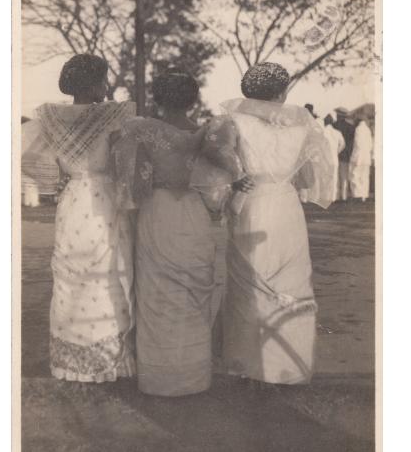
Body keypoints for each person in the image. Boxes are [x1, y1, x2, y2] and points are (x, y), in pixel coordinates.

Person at [112, 71, 249, 396]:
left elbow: (128, 180)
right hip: (194, 212)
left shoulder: (139, 129)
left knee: (156, 290)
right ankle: (193, 377)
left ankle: (159, 378)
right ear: (192, 99)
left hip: (157, 212)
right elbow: (222, 182)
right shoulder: (209, 134)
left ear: (157, 98)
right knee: (192, 290)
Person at [196, 62, 335, 385]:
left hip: (253, 203)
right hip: (286, 206)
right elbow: (308, 178)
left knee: (248, 282)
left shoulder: (234, 121)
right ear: (281, 92)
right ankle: (288, 366)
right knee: (291, 279)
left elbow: (212, 150)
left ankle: (245, 363)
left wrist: (239, 174)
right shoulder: (301, 124)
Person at [21, 54, 136, 382]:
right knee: (107, 273)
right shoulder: (113, 114)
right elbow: (122, 159)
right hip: (103, 199)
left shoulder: (52, 117)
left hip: (72, 200)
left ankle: (71, 362)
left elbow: (25, 154)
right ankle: (109, 361)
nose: (106, 86)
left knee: (72, 275)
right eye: (103, 80)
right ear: (92, 83)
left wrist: (59, 174)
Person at [349, 117, 374, 202]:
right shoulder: (368, 130)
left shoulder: (358, 129)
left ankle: (357, 195)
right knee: (364, 177)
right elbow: (370, 145)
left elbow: (358, 143)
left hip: (358, 157)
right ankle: (364, 195)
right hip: (366, 157)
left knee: (355, 176)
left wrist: (356, 157)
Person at [323, 113, 346, 203]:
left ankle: (326, 197)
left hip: (325, 159)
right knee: (334, 178)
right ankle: (333, 197)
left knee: (325, 178)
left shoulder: (322, 132)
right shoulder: (337, 132)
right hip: (334, 158)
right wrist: (337, 152)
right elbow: (343, 144)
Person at [334, 111, 356, 200]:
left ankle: (336, 195)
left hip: (335, 153)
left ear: (338, 115)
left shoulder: (334, 125)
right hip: (345, 155)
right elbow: (351, 143)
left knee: (336, 176)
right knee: (344, 177)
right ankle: (344, 196)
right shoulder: (351, 127)